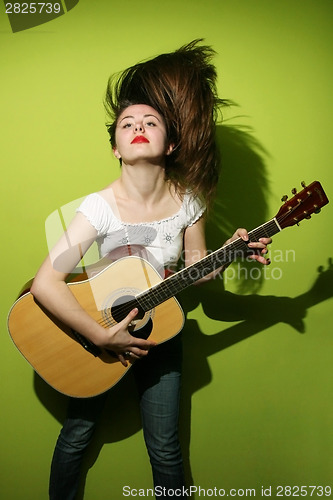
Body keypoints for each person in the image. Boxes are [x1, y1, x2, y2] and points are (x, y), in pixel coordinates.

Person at [30, 40, 271, 499]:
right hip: (94, 336)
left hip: (159, 335)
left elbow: (197, 271)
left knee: (165, 450)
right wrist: (102, 336)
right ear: (116, 148)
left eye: (151, 121)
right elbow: (46, 283)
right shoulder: (98, 208)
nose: (138, 125)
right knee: (76, 437)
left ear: (171, 142)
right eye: (127, 123)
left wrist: (232, 252)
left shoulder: (190, 202)